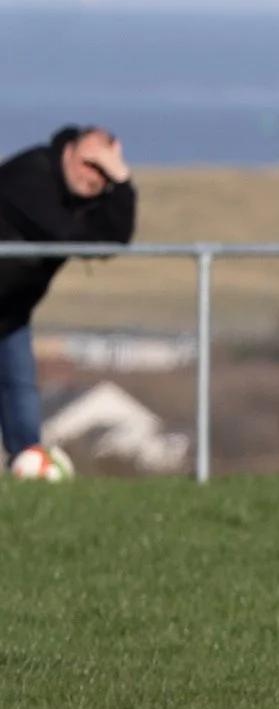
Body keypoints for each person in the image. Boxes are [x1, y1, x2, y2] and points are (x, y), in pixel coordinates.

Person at [0, 127, 138, 467]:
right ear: (67, 153)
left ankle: (29, 471)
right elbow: (65, 235)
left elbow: (115, 240)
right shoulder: (29, 174)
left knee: (19, 390)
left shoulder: (91, 195)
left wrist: (122, 181)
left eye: (104, 172)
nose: (95, 177)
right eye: (90, 163)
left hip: (11, 311)